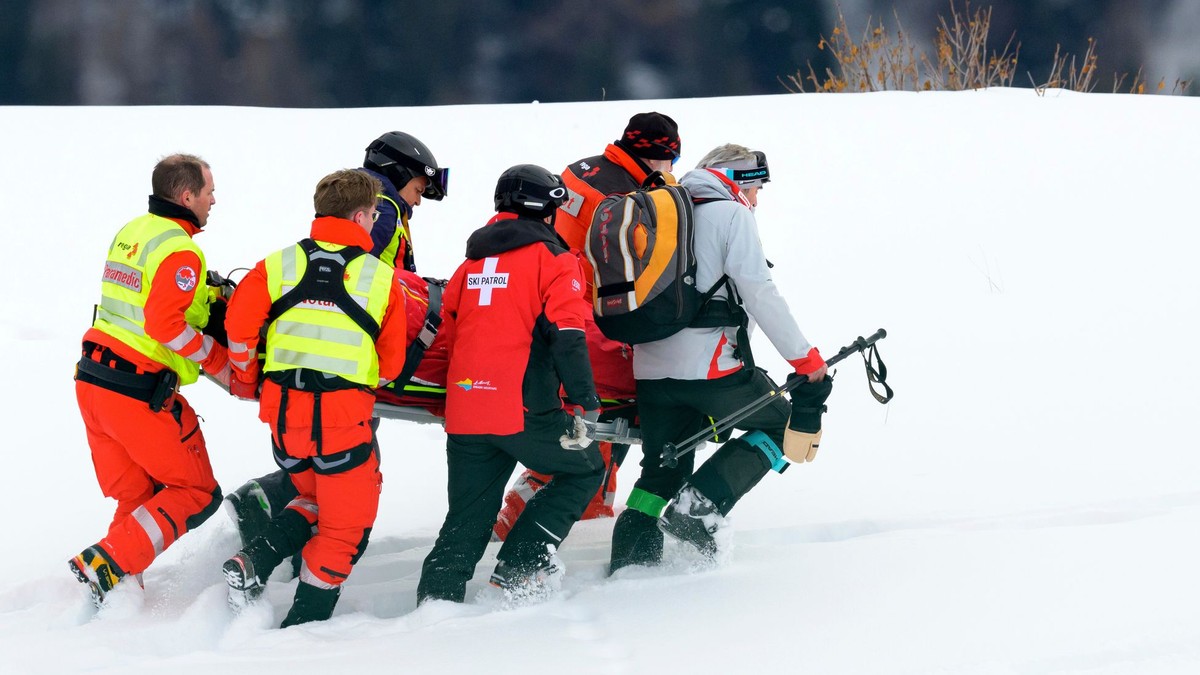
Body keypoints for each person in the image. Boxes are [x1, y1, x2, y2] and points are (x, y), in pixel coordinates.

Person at [608, 144, 829, 574]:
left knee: (660, 468)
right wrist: (805, 359)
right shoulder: (731, 215)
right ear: (738, 181)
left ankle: (631, 565)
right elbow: (759, 292)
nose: (758, 199)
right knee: (782, 426)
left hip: (651, 367)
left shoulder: (661, 211)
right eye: (758, 188)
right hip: (711, 367)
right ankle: (698, 508)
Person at [223, 131, 448, 549]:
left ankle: (273, 517)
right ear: (397, 175)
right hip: (349, 355)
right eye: (418, 189)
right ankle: (277, 516)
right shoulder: (382, 211)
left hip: (327, 350)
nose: (418, 200)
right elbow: (358, 268)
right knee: (343, 456)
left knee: (321, 447)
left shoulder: (371, 204)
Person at [220, 169, 409, 627]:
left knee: (313, 499)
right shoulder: (381, 280)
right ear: (361, 216)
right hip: (342, 423)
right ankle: (304, 627)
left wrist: (248, 379)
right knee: (346, 528)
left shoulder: (277, 264)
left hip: (284, 420)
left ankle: (254, 561)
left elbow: (239, 330)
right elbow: (392, 365)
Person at [417, 165, 604, 603]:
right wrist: (585, 400)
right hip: (522, 409)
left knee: (466, 516)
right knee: (585, 469)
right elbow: (569, 335)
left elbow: (448, 335)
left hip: (466, 411)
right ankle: (521, 567)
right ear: (545, 209)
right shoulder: (555, 261)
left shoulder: (470, 266)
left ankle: (434, 605)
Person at [492, 112, 682, 538]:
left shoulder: (582, 169)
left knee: (586, 419)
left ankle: (570, 508)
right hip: (584, 317)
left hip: (542, 307)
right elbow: (635, 269)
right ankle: (555, 511)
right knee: (610, 409)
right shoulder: (627, 197)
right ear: (657, 157)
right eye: (671, 161)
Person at [70, 153, 228, 606]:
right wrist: (218, 361)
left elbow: (144, 300)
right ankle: (105, 563)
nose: (214, 200)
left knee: (138, 498)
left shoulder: (133, 232)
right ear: (186, 196)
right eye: (209, 191)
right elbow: (164, 324)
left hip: (92, 382)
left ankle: (115, 592)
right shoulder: (181, 250)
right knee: (196, 493)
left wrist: (206, 294)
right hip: (134, 392)